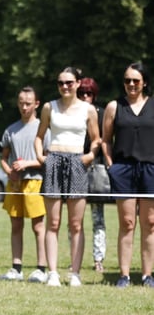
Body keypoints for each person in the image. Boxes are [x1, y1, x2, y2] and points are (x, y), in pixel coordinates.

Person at [35, 67, 101, 287]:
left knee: (76, 224)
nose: (64, 86)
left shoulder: (88, 109)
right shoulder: (48, 107)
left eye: (69, 82)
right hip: (53, 159)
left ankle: (75, 273)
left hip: (77, 162)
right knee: (52, 222)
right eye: (61, 82)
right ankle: (52, 272)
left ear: (78, 83)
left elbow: (96, 139)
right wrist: (41, 157)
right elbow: (39, 136)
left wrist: (90, 155)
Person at [101, 62, 154, 289]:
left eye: (135, 80)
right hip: (123, 169)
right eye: (127, 80)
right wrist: (112, 166)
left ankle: (147, 275)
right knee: (127, 222)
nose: (131, 84)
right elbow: (105, 140)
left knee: (150, 223)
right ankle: (124, 275)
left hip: (150, 169)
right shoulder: (114, 107)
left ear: (144, 82)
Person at [0, 86, 48, 283]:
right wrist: (9, 171)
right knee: (16, 225)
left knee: (38, 226)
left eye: (28, 103)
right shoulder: (11, 129)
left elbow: (48, 158)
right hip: (15, 185)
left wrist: (28, 163)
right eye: (21, 103)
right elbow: (4, 158)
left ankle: (40, 268)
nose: (24, 107)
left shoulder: (43, 129)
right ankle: (16, 267)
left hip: (35, 182)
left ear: (37, 104)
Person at [77, 77, 107, 272]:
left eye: (89, 93)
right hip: (76, 168)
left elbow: (106, 141)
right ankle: (75, 258)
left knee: (98, 218)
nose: (85, 96)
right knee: (75, 219)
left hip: (96, 168)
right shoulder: (72, 112)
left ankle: (99, 259)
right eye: (82, 93)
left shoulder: (102, 114)